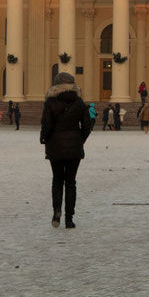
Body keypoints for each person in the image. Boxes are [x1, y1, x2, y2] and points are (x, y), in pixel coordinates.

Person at [40, 72, 92, 229]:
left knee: (57, 181)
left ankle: (56, 212)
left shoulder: (50, 103)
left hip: (55, 147)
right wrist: (78, 139)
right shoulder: (79, 103)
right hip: (74, 148)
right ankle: (69, 219)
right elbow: (87, 126)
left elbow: (46, 125)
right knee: (71, 183)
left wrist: (45, 138)